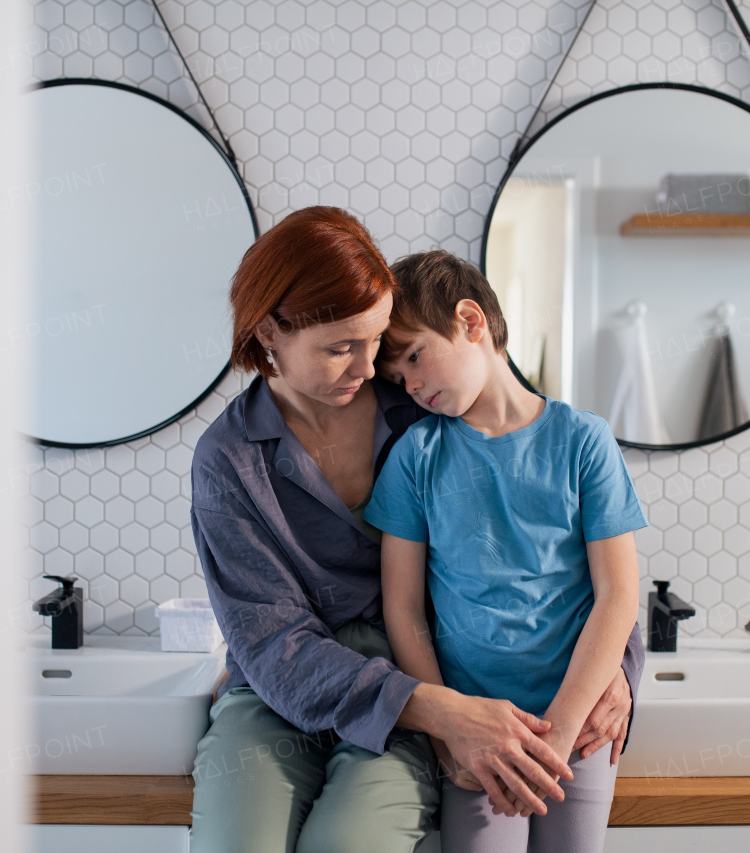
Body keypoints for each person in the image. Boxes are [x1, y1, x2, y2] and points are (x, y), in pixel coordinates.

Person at [188, 207, 645, 853]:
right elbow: (271, 646)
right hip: (290, 695)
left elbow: (575, 560)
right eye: (341, 347)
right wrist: (439, 711)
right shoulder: (228, 458)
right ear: (270, 333)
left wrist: (618, 670)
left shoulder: (426, 405)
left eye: (377, 341)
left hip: (415, 677)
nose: (370, 365)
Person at [363, 250, 647, 853]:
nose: (410, 386)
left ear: (471, 321)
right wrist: (449, 739)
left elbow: (620, 593)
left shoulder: (583, 442)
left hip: (577, 726)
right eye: (397, 379)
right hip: (475, 733)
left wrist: (561, 735)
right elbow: (404, 610)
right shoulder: (416, 456)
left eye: (414, 356)